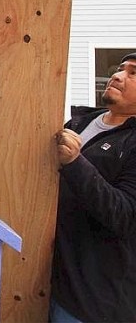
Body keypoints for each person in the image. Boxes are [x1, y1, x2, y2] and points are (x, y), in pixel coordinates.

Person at [50, 51, 136, 322]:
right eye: (120, 68)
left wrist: (75, 163)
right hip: (48, 280)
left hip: (90, 300)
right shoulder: (80, 123)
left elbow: (125, 215)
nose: (118, 75)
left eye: (133, 73)